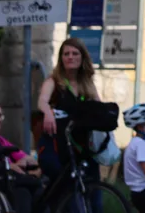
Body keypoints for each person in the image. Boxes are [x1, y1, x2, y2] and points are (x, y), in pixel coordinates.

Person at [36, 38, 100, 180]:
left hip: (83, 143)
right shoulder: (53, 81)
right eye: (66, 54)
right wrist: (48, 113)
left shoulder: (87, 84)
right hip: (59, 144)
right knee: (67, 191)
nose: (70, 57)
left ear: (82, 57)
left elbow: (98, 106)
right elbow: (42, 101)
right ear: (61, 58)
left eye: (75, 53)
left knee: (94, 192)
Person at [0, 99, 42, 213]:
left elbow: (26, 158)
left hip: (14, 179)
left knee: (38, 191)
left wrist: (24, 162)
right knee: (23, 192)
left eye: (0, 115)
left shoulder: (1, 140)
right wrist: (11, 167)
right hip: (5, 182)